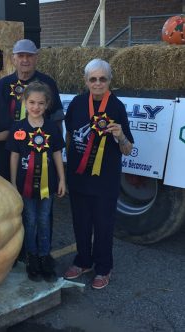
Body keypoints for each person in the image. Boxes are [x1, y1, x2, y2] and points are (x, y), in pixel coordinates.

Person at [64, 59, 134, 290]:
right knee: (80, 223)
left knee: (103, 226)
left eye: (102, 79)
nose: (97, 83)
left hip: (105, 182)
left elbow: (127, 148)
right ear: (86, 81)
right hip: (78, 177)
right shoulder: (76, 103)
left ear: (109, 81)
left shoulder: (116, 107)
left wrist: (120, 135)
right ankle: (83, 261)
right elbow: (70, 135)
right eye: (93, 79)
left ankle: (104, 268)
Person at [7, 81, 66, 282]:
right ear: (24, 102)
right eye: (31, 102)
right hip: (25, 187)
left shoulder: (51, 128)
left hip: (47, 186)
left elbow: (57, 154)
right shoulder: (18, 128)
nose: (36, 107)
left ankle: (44, 257)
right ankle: (32, 258)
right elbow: (14, 156)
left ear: (47, 104)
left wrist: (62, 180)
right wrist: (13, 182)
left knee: (43, 220)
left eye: (41, 103)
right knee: (30, 221)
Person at [0, 38, 64, 124]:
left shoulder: (48, 83)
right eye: (21, 56)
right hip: (9, 135)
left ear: (36, 58)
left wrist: (57, 136)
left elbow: (57, 117)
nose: (25, 60)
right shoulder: (3, 84)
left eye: (29, 56)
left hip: (40, 135)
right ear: (13, 59)